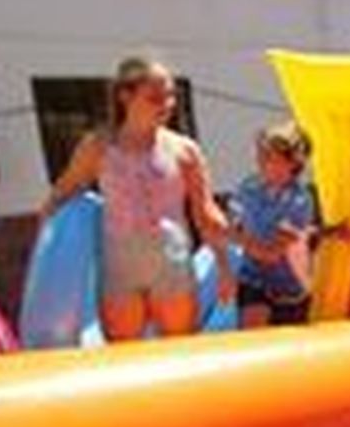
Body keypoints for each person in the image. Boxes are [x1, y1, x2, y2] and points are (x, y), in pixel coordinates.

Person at [44, 56, 228, 340]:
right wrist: (46, 250)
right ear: (124, 96)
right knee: (124, 358)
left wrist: (224, 268)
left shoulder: (184, 151)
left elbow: (206, 212)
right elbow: (62, 193)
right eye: (155, 97)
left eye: (170, 96)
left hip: (171, 264)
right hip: (120, 266)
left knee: (180, 352)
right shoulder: (99, 146)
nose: (166, 105)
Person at [232, 120, 319, 327]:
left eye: (268, 157)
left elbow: (271, 254)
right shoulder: (249, 187)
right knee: (253, 331)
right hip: (253, 279)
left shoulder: (299, 200)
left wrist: (237, 238)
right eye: (259, 156)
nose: (260, 162)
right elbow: (235, 222)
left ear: (291, 163)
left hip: (289, 289)